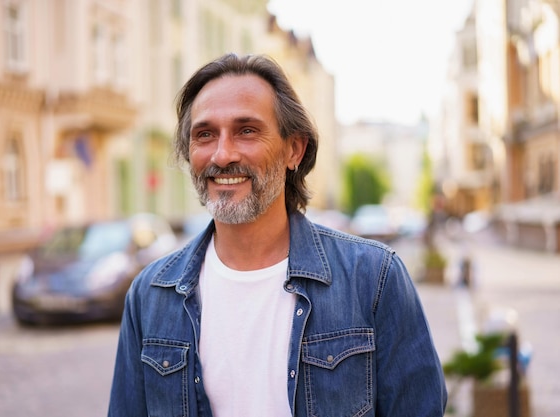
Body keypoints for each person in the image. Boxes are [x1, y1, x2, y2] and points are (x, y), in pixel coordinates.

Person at [108, 53, 447, 417]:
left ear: (294, 150)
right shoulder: (150, 297)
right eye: (205, 134)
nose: (222, 155)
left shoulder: (373, 279)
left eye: (247, 130)